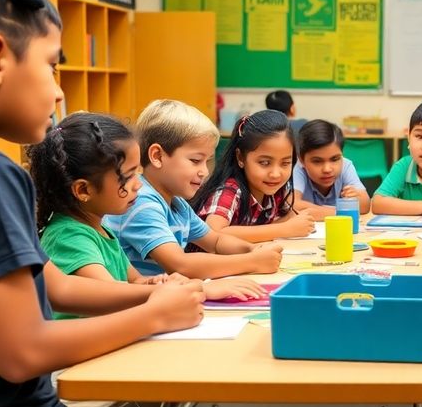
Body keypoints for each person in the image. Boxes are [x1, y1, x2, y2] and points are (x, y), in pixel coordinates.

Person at [0, 0, 204, 407]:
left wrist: (148, 294)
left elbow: (57, 286)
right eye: (51, 65)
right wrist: (155, 317)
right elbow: (21, 352)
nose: (57, 93)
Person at [30, 113, 265, 319]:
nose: (138, 186)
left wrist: (159, 282)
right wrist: (200, 289)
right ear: (84, 190)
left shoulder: (101, 229)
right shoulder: (69, 235)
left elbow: (135, 282)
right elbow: (110, 294)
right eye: (128, 177)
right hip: (77, 365)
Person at [105, 100, 283, 279]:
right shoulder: (142, 203)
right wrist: (252, 261)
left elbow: (215, 241)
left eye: (207, 161)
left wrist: (253, 249)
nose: (204, 171)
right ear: (157, 156)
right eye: (196, 160)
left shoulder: (177, 203)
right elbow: (180, 265)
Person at [192, 110, 316, 241]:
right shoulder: (230, 191)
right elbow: (213, 232)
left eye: (285, 163)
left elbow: (289, 214)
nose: (275, 174)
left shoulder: (275, 193)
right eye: (264, 163)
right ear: (240, 157)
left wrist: (290, 222)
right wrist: (285, 229)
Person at [291, 119, 371, 218]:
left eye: (335, 159)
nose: (327, 169)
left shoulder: (346, 165)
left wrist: (314, 211)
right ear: (301, 160)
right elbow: (292, 205)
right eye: (317, 161)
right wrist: (341, 212)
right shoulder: (297, 168)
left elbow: (365, 205)